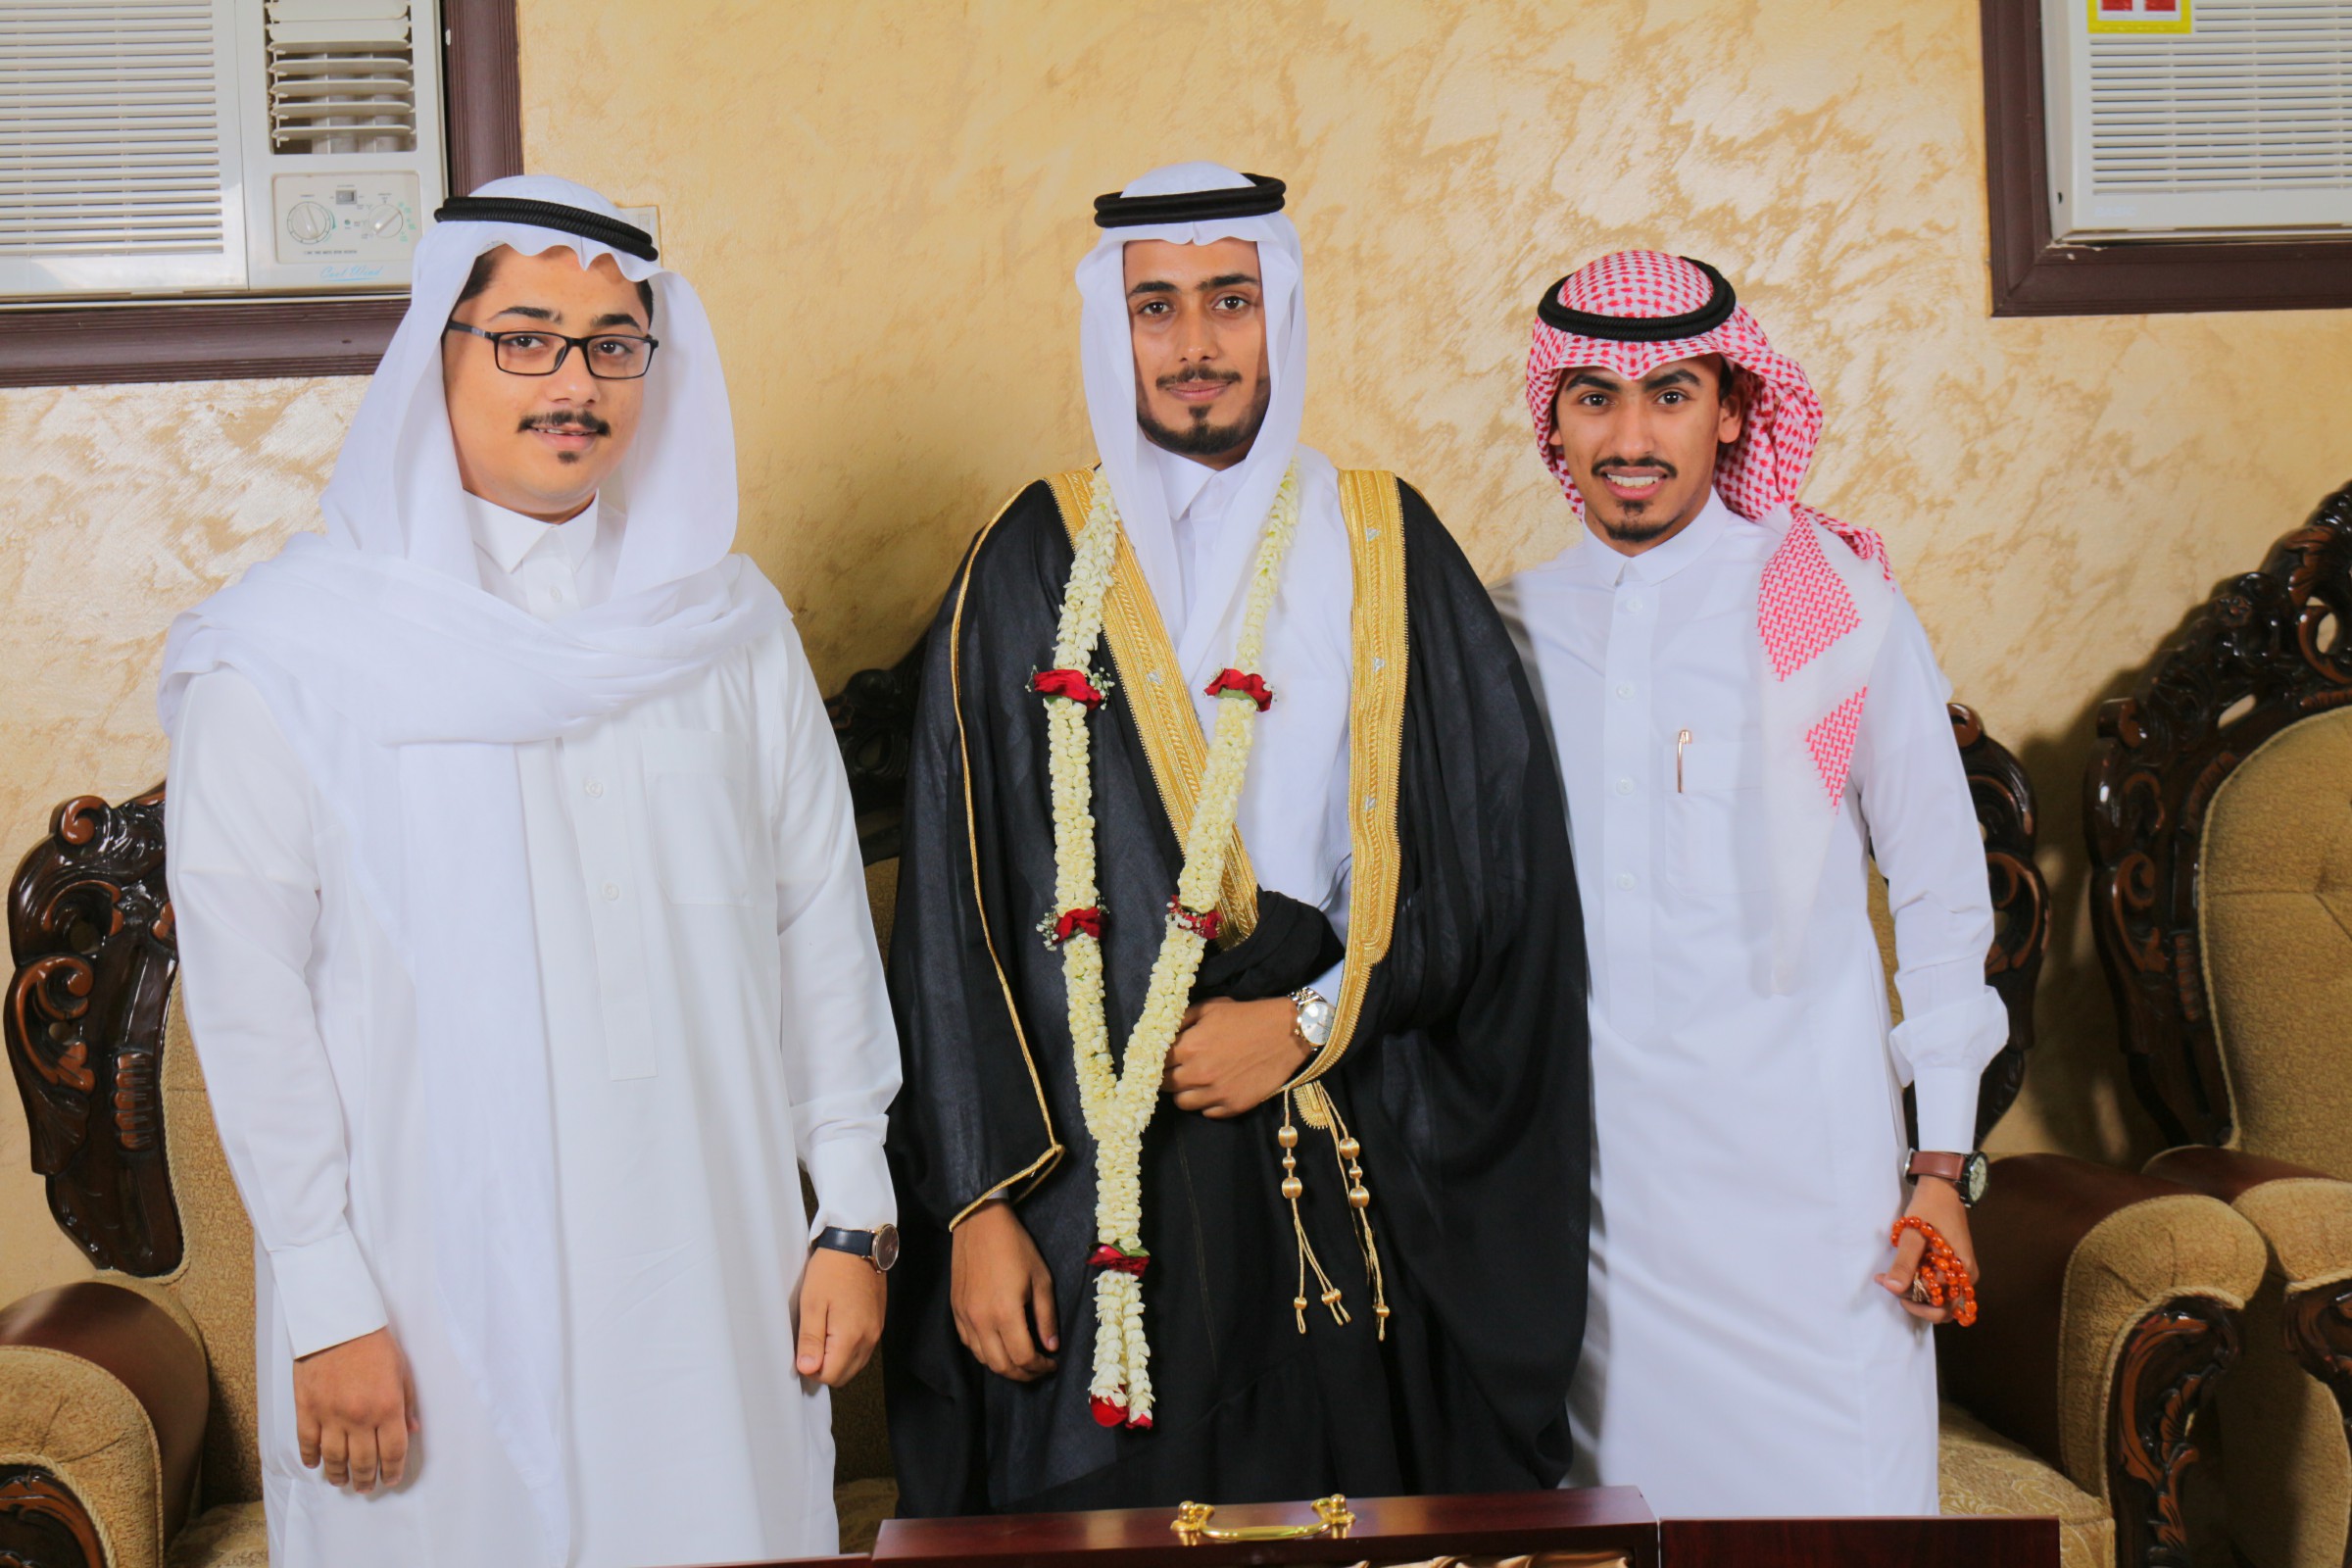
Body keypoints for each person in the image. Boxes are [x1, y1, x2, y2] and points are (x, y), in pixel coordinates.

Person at [158, 176, 900, 1567]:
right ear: (437, 350)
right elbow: (252, 1011)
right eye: (526, 338)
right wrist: (325, 1299)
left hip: (706, 1276)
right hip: (425, 1298)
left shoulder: (727, 628)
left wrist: (854, 1213)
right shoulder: (293, 654)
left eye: (614, 345)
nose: (575, 383)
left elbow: (815, 924)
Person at [882, 161, 1591, 1517]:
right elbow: (955, 914)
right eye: (1156, 307)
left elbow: (1491, 880)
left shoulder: (1382, 542)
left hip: (1334, 1133)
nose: (1195, 343)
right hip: (1082, 1174)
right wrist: (975, 1204)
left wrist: (1309, 1022)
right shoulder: (1030, 556)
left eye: (1230, 300)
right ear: (1114, 327)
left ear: (1284, 315)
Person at [1493, 251, 2006, 1515]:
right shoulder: (1506, 628)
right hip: (1595, 1208)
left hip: (1814, 1204)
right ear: (1555, 419)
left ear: (1733, 410)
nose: (1631, 438)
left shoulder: (1837, 607)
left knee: (1840, 1531)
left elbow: (1942, 891)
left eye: (1671, 395)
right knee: (1627, 1529)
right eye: (1596, 398)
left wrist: (1942, 1167)